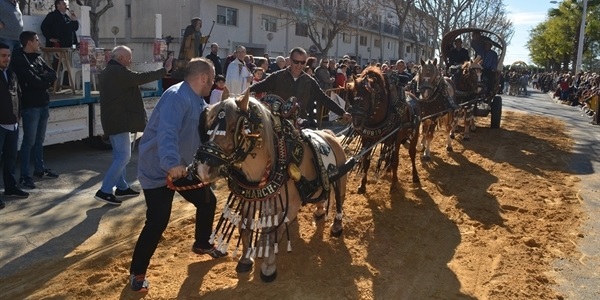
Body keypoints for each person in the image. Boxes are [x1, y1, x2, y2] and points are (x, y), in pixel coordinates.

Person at [129, 58, 225, 293]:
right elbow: (167, 133)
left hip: (183, 167)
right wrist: (171, 164)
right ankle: (137, 272)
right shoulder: (176, 97)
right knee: (158, 220)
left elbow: (208, 133)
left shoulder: (198, 101)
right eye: (211, 79)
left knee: (207, 200)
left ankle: (202, 242)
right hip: (159, 168)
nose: (212, 84)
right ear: (203, 78)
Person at [95, 45, 170, 205]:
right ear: (121, 58)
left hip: (114, 120)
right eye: (128, 58)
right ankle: (105, 191)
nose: (130, 62)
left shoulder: (109, 71)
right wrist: (164, 70)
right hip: (119, 121)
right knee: (124, 156)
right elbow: (140, 78)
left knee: (119, 156)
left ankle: (122, 187)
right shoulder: (118, 72)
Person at [249, 47, 351, 127]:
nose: (299, 65)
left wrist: (342, 113)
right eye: (296, 62)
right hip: (276, 123)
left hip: (300, 124)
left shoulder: (309, 81)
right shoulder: (277, 77)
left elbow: (323, 98)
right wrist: (241, 96)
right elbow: (257, 87)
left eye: (302, 62)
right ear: (290, 60)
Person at [10, 31, 58, 189]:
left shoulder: (38, 56)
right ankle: (25, 175)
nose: (39, 42)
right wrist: (45, 80)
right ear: (29, 42)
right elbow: (32, 80)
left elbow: (53, 74)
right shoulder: (18, 59)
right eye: (37, 40)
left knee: (39, 140)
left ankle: (39, 169)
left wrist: (44, 79)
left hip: (44, 103)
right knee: (28, 142)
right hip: (30, 106)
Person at [0, 42, 29, 207]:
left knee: (11, 158)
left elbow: (18, 95)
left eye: (8, 56)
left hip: (13, 124)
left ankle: (10, 187)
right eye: (3, 56)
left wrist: (18, 115)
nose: (7, 59)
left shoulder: (11, 74)